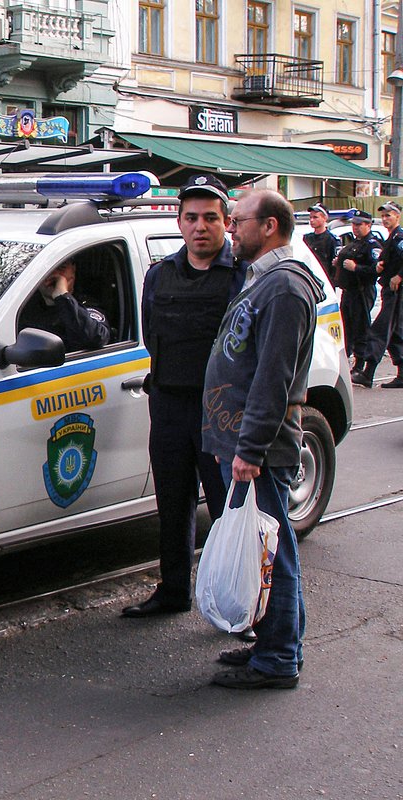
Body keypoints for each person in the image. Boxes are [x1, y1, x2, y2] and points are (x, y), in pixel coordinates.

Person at [203, 188, 321, 690]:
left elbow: (274, 378)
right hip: (246, 441)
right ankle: (273, 640)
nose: (231, 228)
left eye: (239, 220)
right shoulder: (265, 281)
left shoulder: (285, 288)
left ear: (269, 226)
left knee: (276, 549)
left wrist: (249, 450)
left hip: (262, 446)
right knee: (269, 545)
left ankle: (278, 658)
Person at [123, 174, 242, 618]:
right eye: (191, 217)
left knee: (229, 511)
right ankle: (174, 591)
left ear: (226, 222)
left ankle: (236, 600)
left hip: (220, 413)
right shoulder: (160, 275)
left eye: (211, 218)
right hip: (169, 405)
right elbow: (152, 333)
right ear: (178, 221)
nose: (200, 226)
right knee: (172, 506)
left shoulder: (242, 275)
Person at [353, 201, 403, 388]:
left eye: (388, 215)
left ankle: (368, 372)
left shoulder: (399, 237)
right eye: (382, 216)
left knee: (379, 331)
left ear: (397, 216)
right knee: (395, 332)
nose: (385, 219)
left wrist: (399, 276)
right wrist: (381, 266)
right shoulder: (391, 238)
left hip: (396, 291)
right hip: (390, 289)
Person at [16, 259, 110, 351]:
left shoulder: (85, 306)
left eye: (62, 268)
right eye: (47, 270)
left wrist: (63, 297)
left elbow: (97, 338)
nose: (54, 275)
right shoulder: (20, 306)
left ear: (73, 271)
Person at [333, 209, 381, 375]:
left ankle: (360, 364)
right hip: (348, 291)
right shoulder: (354, 243)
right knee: (347, 327)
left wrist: (356, 268)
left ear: (368, 225)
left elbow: (375, 270)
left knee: (360, 328)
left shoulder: (372, 245)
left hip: (361, 290)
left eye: (359, 224)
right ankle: (349, 359)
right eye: (353, 224)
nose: (355, 227)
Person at [301, 203, 339, 286]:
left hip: (325, 282)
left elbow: (335, 266)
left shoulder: (332, 239)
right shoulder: (307, 238)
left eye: (315, 217)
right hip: (309, 280)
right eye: (310, 217)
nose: (311, 220)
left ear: (324, 218)